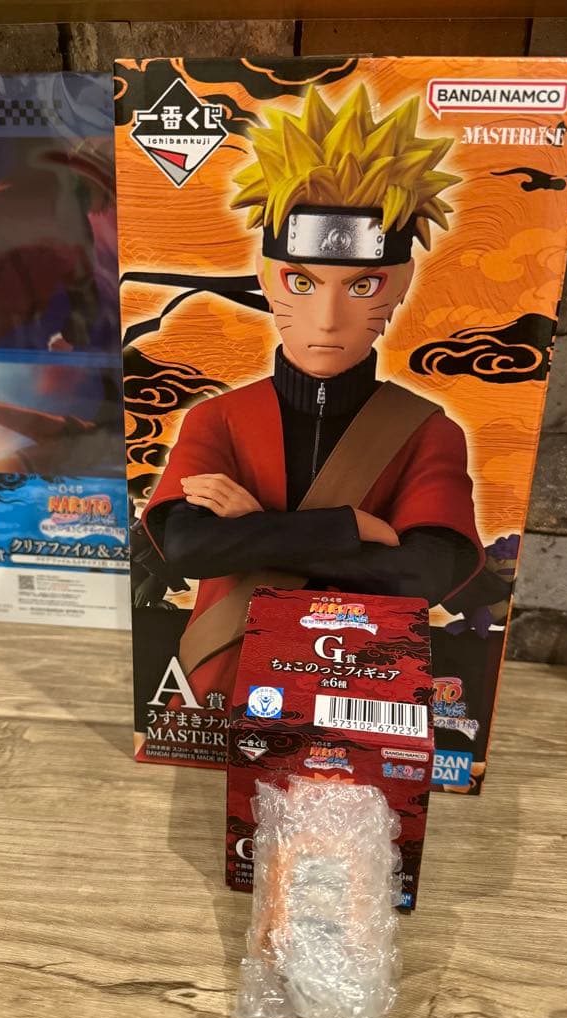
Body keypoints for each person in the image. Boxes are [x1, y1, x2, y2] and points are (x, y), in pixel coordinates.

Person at [139, 85, 483, 708]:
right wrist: (353, 529)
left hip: (360, 682)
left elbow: (423, 574)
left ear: (401, 283)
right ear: (267, 279)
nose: (327, 318)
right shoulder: (218, 418)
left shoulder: (427, 430)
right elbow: (187, 548)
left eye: (362, 286)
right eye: (301, 282)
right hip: (219, 679)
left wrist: (254, 528)